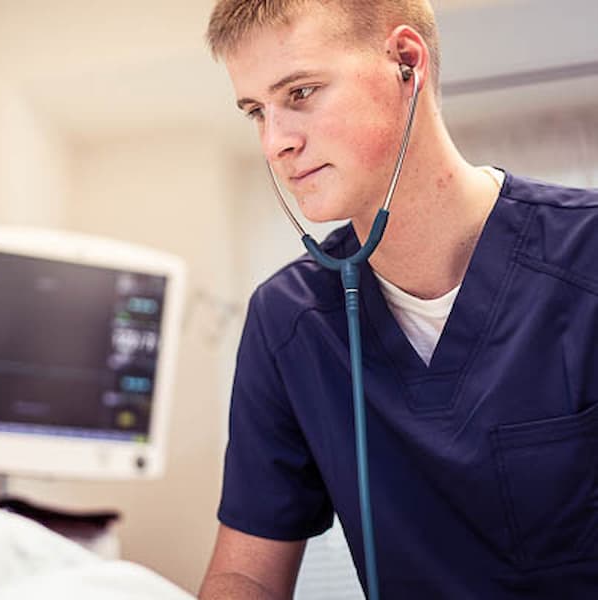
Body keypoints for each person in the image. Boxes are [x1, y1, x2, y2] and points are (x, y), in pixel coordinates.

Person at [199, 1, 598, 598]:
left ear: (405, 63)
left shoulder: (586, 255)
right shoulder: (287, 320)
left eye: (301, 92)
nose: (275, 143)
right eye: (257, 111)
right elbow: (245, 573)